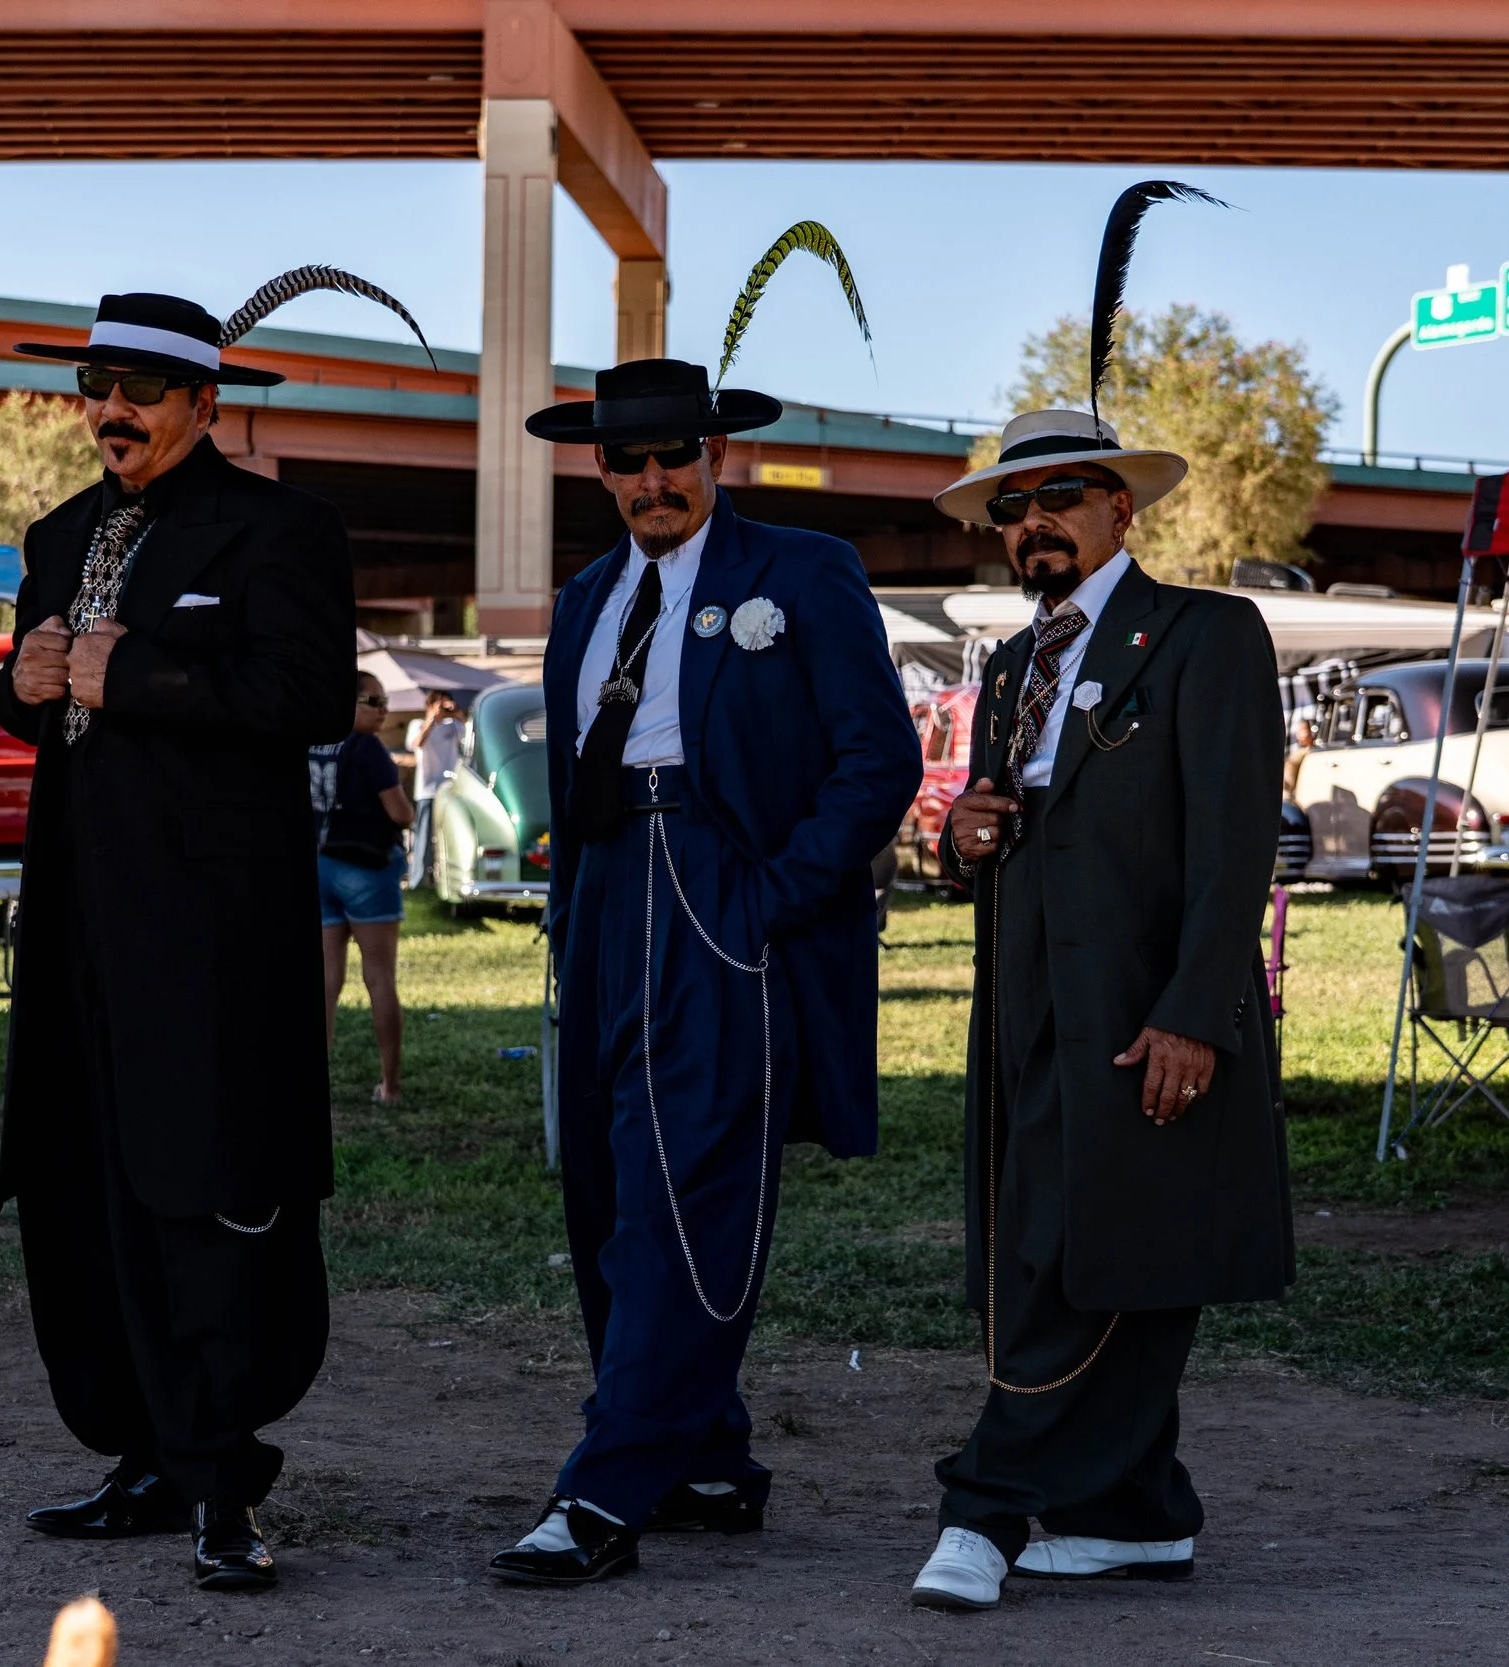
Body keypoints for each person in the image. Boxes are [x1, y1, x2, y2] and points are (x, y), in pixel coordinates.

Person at [485, 357, 919, 1587]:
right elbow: (574, 775)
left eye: (676, 454)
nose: (653, 479)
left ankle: (604, 1487)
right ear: (600, 469)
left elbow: (876, 759)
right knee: (611, 1194)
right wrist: (572, 922)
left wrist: (773, 896)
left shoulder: (799, 571)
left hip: (723, 889)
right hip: (608, 885)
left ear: (716, 456)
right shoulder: (582, 597)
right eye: (628, 460)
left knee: (688, 1186)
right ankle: (708, 1457)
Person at [0, 290, 359, 1595]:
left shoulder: (278, 530)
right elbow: (46, 705)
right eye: (98, 384)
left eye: (144, 389)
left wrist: (127, 672)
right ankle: (140, 1449)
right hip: (78, 927)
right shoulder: (54, 535)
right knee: (85, 1184)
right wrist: (16, 686)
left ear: (207, 403)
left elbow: (311, 698)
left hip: (210, 944)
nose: (114, 410)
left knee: (204, 1188)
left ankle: (221, 1481)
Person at [906, 404, 1292, 1609]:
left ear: (1121, 507)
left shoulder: (1204, 633)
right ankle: (1134, 1515)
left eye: (1060, 496)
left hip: (1142, 1005)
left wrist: (1195, 1011)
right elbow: (1003, 815)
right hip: (1022, 1002)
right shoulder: (1015, 660)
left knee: (1106, 1249)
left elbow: (1236, 846)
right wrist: (962, 837)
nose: (1033, 523)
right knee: (1045, 1244)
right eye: (1009, 509)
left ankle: (985, 1501)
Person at [314, 671, 414, 1103]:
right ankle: (390, 1086)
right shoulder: (367, 747)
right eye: (374, 700)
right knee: (379, 979)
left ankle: (316, 1084)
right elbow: (402, 815)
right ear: (349, 702)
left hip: (319, 865)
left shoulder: (311, 740)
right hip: (366, 869)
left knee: (324, 980)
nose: (384, 708)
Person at [403, 689, 463, 889]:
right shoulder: (418, 724)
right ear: (430, 705)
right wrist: (432, 719)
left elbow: (471, 736)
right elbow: (415, 744)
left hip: (452, 789)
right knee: (424, 837)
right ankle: (418, 881)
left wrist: (455, 714)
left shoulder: (454, 725)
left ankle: (448, 881)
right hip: (427, 790)